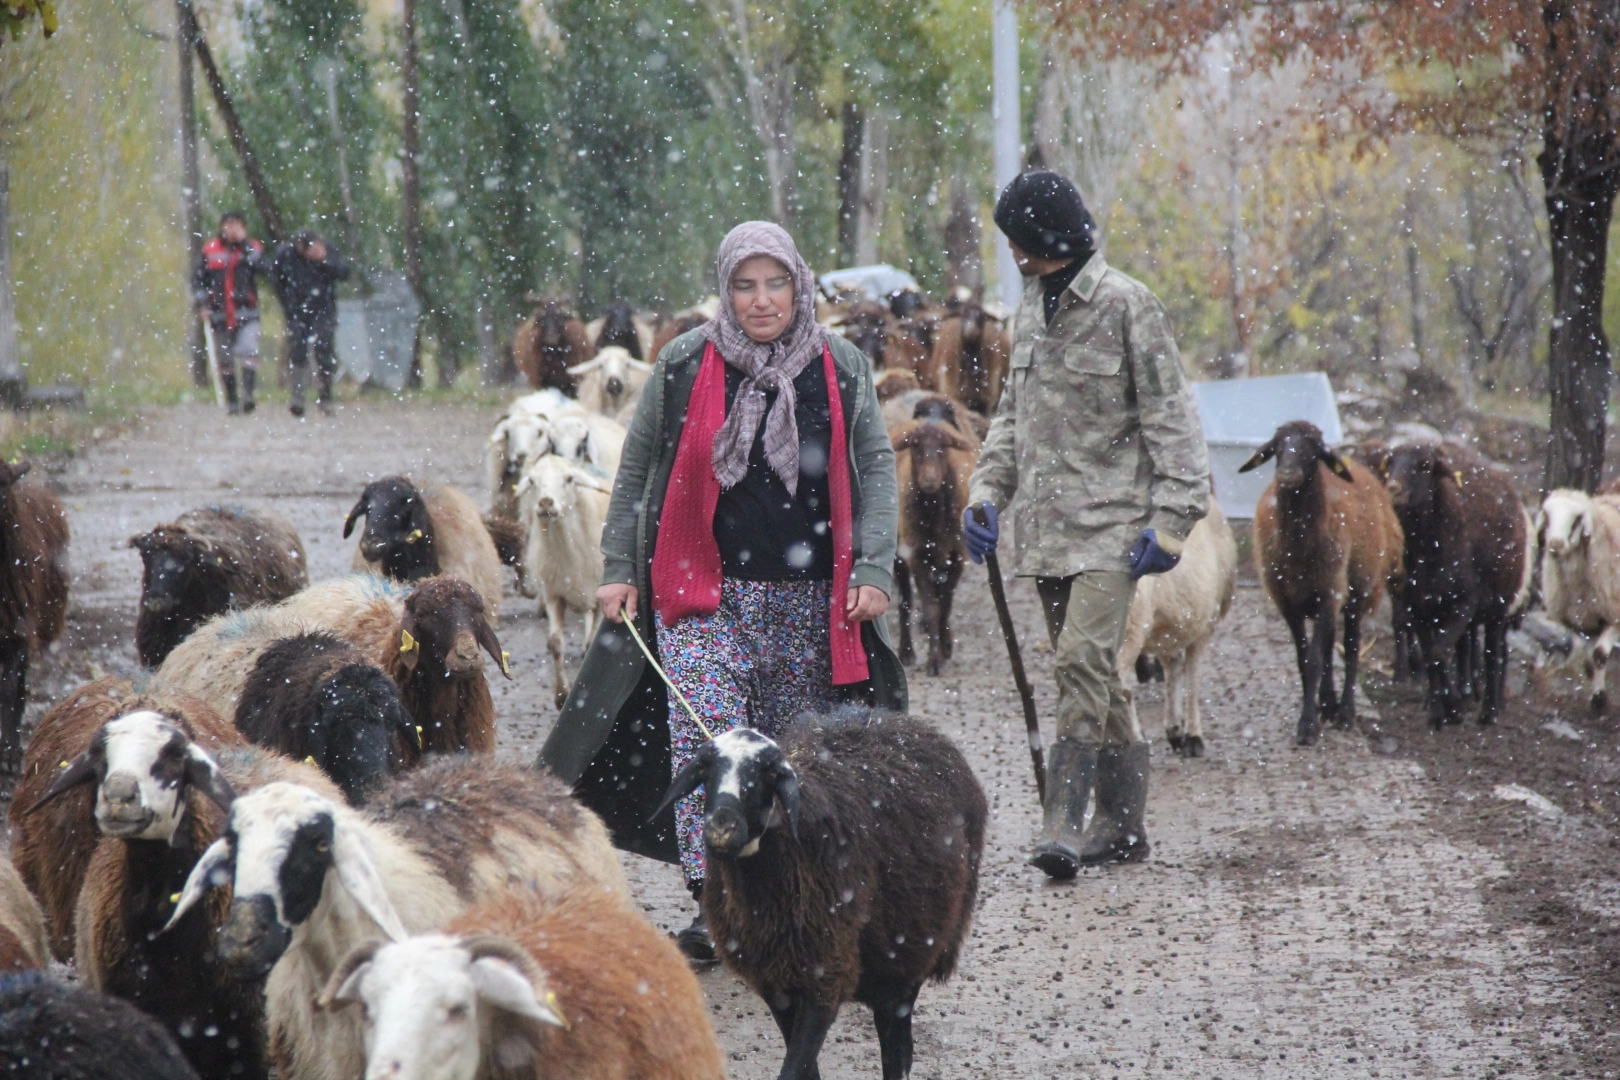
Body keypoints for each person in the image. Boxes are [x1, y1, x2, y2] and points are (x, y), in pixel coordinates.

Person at [537, 221, 906, 963]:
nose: (761, 300)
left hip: (812, 603)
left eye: (775, 283)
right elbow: (637, 470)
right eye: (745, 285)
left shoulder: (838, 364)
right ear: (725, 289)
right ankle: (718, 906)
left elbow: (873, 467)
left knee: (792, 759)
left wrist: (871, 570)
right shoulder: (682, 363)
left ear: (798, 285)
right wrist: (617, 567)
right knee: (709, 744)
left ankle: (791, 900)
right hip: (703, 591)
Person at [964, 170, 1210, 880]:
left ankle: (1062, 825)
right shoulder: (1029, 313)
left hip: (1114, 531)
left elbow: (1173, 424)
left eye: (1018, 239)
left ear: (1044, 239)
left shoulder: (1130, 306)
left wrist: (1172, 524)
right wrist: (985, 493)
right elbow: (1011, 418)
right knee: (1099, 676)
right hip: (1046, 536)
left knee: (1079, 664)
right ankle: (1125, 827)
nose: (1012, 253)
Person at [192, 211, 267, 414]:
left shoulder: (253, 248)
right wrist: (201, 303)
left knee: (249, 351)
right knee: (225, 358)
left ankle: (249, 395)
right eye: (228, 225)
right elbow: (198, 279)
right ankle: (232, 398)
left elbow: (264, 268)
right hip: (219, 313)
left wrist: (245, 247)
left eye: (236, 225)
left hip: (247, 311)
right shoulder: (211, 250)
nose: (231, 229)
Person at [271, 230, 350, 416]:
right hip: (297, 310)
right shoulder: (286, 255)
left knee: (324, 347)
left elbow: (344, 273)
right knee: (297, 349)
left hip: (323, 309)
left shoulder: (328, 250)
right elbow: (275, 277)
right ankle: (298, 396)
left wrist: (324, 261)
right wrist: (287, 303)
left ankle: (325, 395)